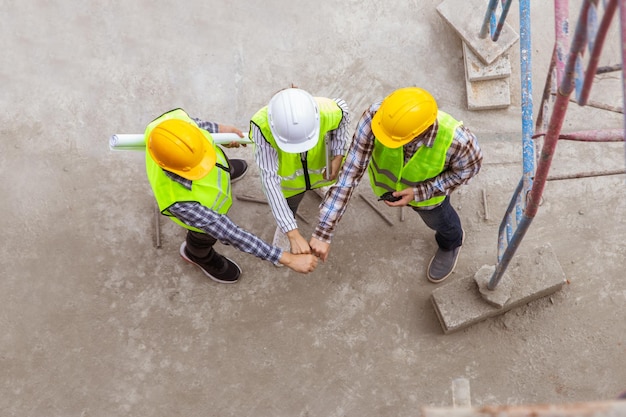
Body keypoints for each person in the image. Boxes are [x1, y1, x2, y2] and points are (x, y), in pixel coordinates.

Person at [309, 87, 483, 283]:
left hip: (428, 198)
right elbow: (350, 172)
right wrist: (324, 231)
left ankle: (451, 243)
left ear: (420, 133)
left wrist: (420, 192)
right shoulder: (377, 118)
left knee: (440, 222)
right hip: (387, 186)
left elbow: (467, 170)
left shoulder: (459, 142)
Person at [144, 108, 318, 283]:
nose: (207, 161)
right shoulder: (180, 202)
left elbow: (196, 125)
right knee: (203, 238)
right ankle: (196, 255)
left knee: (220, 164)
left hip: (212, 171)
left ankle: (226, 172)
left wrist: (219, 130)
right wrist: (286, 258)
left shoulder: (169, 127)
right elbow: (231, 233)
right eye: (201, 166)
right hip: (203, 222)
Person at [249, 88, 350, 255]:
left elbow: (343, 111)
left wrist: (338, 154)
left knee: (322, 180)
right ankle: (286, 226)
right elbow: (269, 180)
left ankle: (316, 187)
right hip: (291, 184)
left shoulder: (328, 111)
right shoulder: (263, 127)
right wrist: (292, 232)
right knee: (290, 204)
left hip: (319, 171)